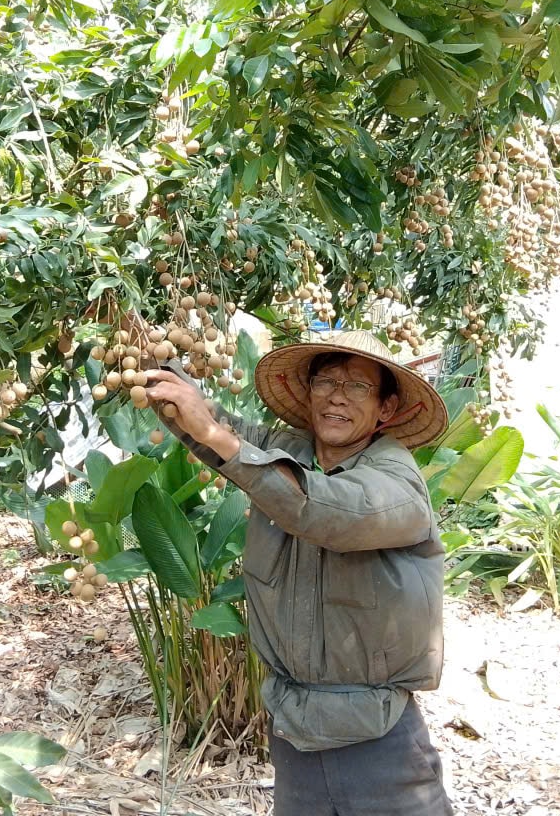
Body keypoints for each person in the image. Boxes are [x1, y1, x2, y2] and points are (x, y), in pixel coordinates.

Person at [144, 330, 454, 816]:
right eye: (326, 382)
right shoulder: (291, 450)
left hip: (378, 741)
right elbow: (213, 427)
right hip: (293, 728)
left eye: (357, 387)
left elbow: (320, 507)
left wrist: (216, 434)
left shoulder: (397, 482)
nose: (337, 396)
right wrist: (147, 358)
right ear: (308, 394)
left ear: (386, 409)